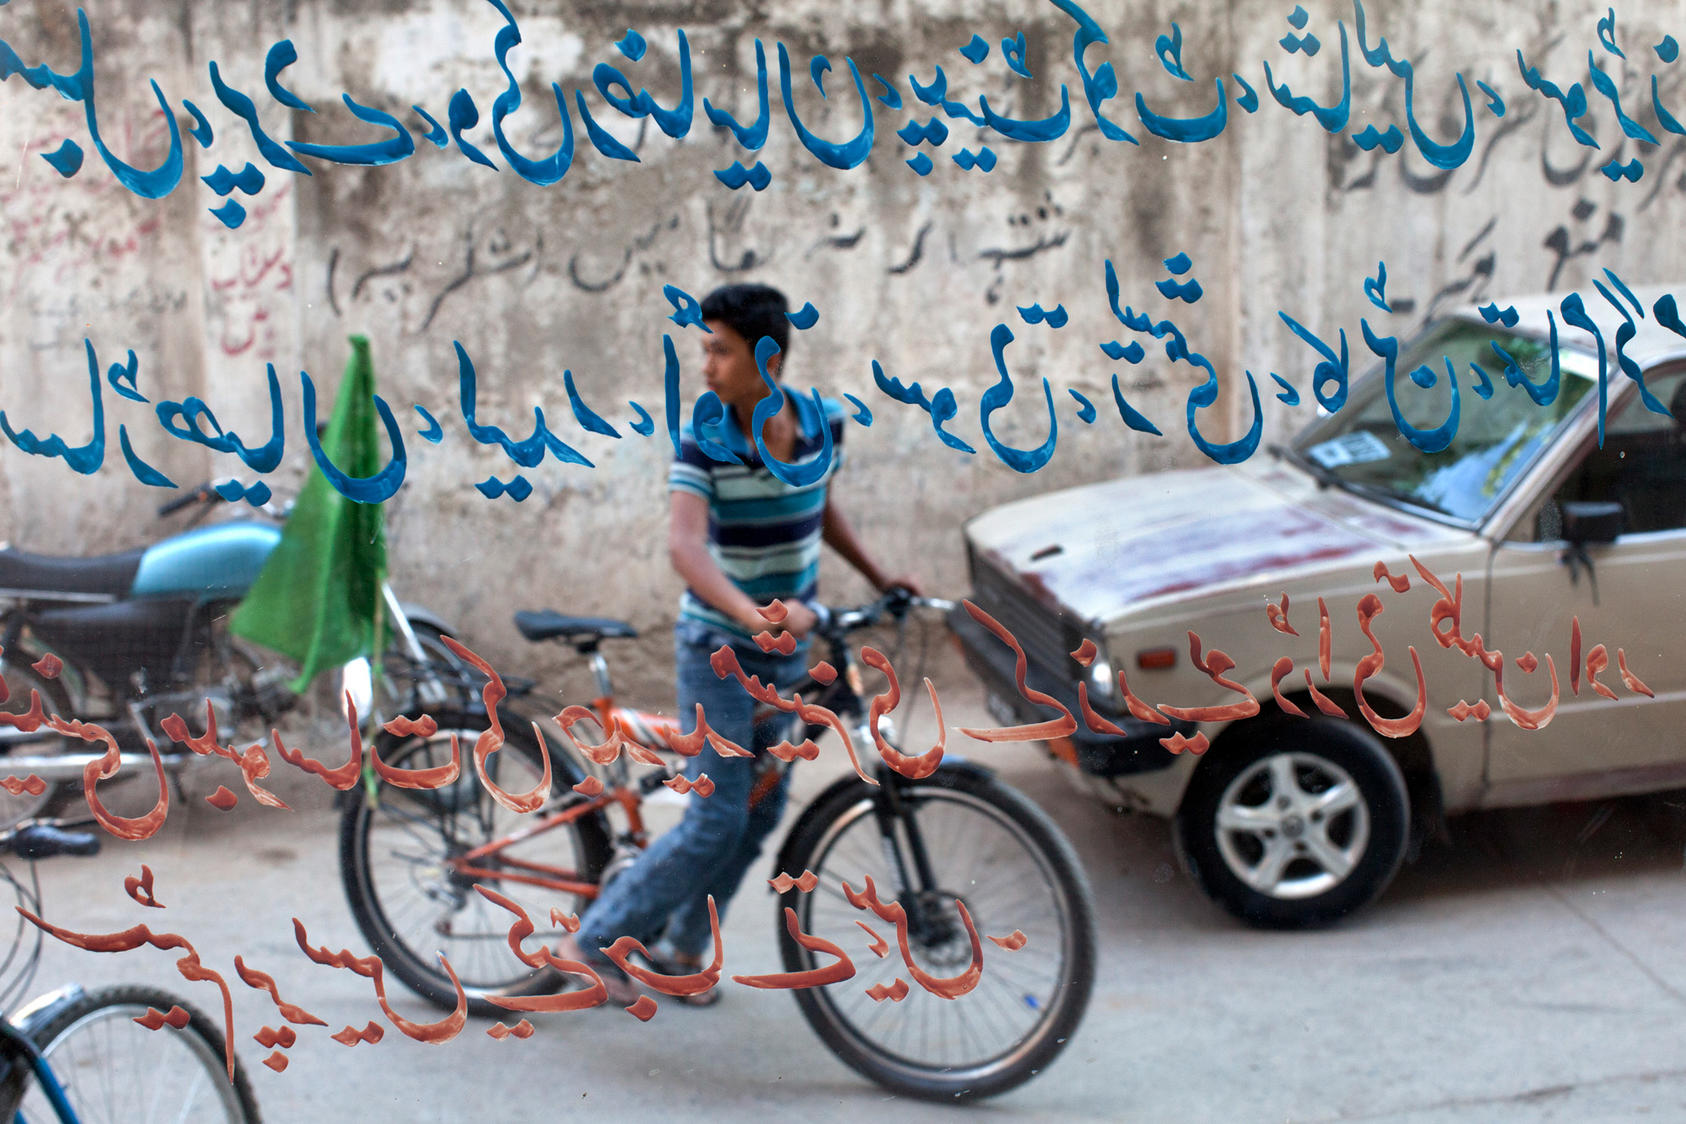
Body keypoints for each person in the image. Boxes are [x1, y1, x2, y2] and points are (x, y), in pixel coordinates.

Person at [564, 283, 918, 1006]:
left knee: (757, 815)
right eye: (704, 350)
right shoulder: (705, 436)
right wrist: (749, 614)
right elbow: (686, 548)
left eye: (718, 351)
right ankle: (591, 940)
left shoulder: (821, 426)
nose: (706, 366)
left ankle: (681, 948)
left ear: (767, 355)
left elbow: (822, 509)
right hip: (720, 649)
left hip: (786, 651)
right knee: (716, 816)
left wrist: (883, 576)